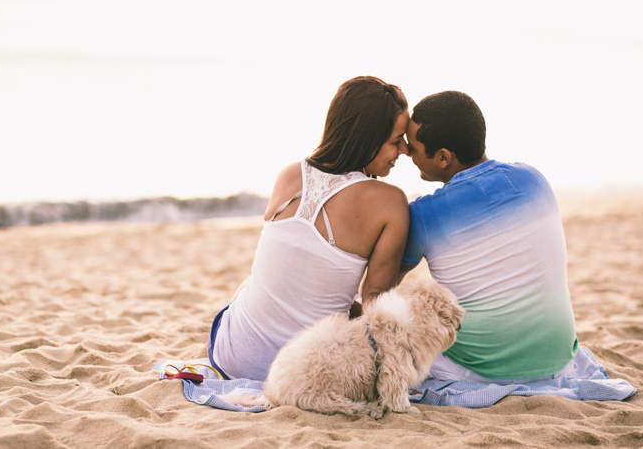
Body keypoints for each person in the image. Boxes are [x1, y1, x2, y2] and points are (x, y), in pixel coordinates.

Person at [208, 76, 411, 381]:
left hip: (233, 357)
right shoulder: (391, 203)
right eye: (396, 141)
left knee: (248, 286)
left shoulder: (289, 175)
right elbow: (376, 308)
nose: (405, 150)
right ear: (368, 139)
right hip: (302, 374)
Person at [399, 90, 579, 383]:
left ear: (443, 157)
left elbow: (381, 286)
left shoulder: (425, 214)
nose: (406, 152)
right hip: (559, 360)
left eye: (413, 146)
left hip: (482, 371)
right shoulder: (534, 178)